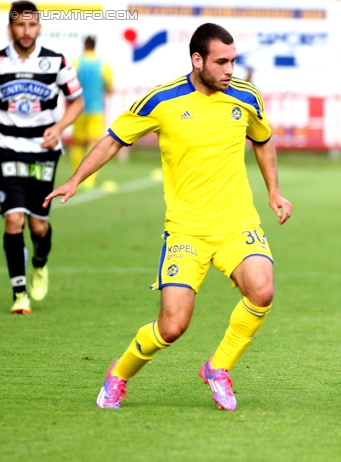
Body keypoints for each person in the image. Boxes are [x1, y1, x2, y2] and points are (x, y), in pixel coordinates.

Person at [44, 23, 292, 411]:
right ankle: (119, 374)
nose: (230, 69)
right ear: (198, 59)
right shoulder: (162, 100)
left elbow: (262, 140)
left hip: (237, 223)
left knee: (262, 291)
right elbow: (113, 139)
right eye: (221, 62)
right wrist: (76, 179)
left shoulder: (246, 96)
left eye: (233, 61)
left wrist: (274, 192)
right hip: (186, 231)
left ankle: (218, 367)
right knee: (172, 326)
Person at [0, 1, 84, 314]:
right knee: (13, 219)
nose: (26, 31)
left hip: (43, 153)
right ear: (11, 27)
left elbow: (77, 101)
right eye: (20, 25)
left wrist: (59, 127)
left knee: (37, 227)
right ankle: (19, 294)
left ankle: (39, 262)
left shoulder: (56, 61)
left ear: (39, 27)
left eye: (32, 25)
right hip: (6, 148)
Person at [70, 35, 113, 189]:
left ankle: (76, 176)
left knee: (77, 143)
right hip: (96, 109)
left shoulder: (76, 63)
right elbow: (109, 88)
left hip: (79, 108)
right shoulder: (103, 65)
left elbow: (69, 84)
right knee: (94, 143)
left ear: (85, 45)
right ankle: (89, 180)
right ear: (94, 46)